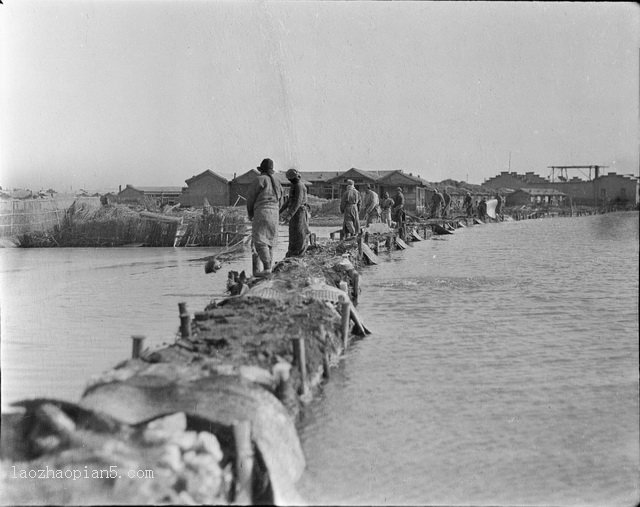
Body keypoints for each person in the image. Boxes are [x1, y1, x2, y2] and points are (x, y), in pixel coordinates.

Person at [246, 158, 283, 277]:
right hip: (275, 213)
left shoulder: (258, 180)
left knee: (260, 241)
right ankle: (269, 268)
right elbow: (281, 200)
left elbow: (250, 199)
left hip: (262, 212)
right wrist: (277, 213)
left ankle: (267, 268)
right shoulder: (277, 182)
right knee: (271, 241)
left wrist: (250, 213)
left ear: (261, 170)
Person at [280, 168, 310, 257]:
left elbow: (297, 202)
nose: (290, 180)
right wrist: (280, 211)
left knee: (300, 233)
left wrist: (289, 216)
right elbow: (289, 200)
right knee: (293, 233)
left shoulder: (299, 186)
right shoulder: (294, 185)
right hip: (295, 213)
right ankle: (292, 253)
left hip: (300, 212)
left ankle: (299, 254)